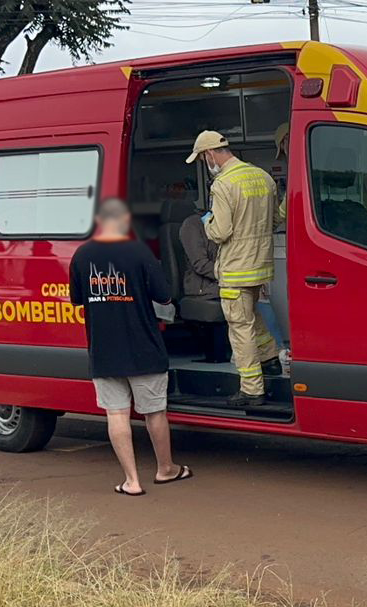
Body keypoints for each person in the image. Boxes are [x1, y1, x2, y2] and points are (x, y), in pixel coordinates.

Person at [68, 198, 192, 496]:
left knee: (117, 414)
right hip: (143, 348)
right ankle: (165, 469)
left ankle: (131, 481)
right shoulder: (139, 252)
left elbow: (77, 299)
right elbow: (164, 296)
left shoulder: (82, 255)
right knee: (155, 413)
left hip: (104, 351)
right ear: (124, 222)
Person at [186, 130, 282, 406]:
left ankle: (251, 389)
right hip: (260, 266)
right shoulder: (262, 176)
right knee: (251, 314)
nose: (205, 164)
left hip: (236, 268)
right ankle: (270, 358)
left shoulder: (223, 184)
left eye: (202, 159)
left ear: (209, 154)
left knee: (240, 328)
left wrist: (207, 221)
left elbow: (220, 232)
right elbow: (275, 219)